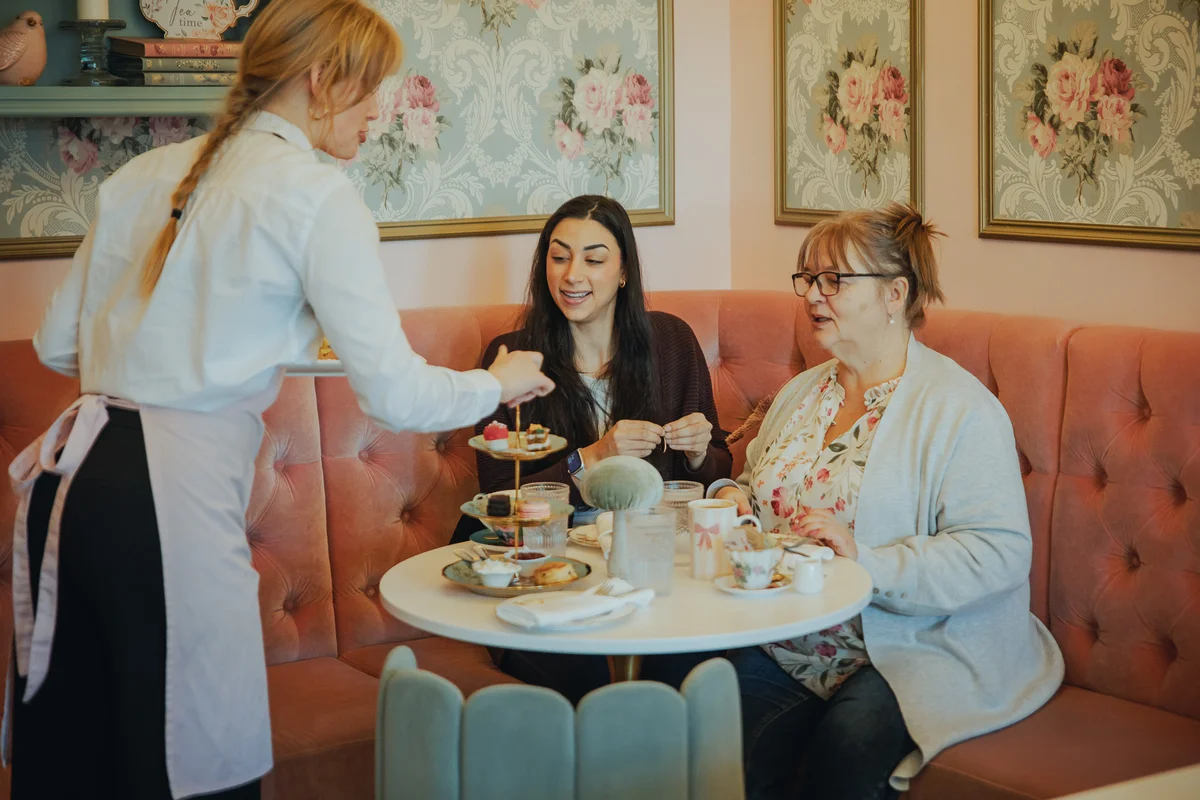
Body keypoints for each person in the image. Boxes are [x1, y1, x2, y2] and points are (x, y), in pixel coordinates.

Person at [6, 2, 553, 798]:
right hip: (170, 502)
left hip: (72, 487)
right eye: (370, 89)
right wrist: (496, 384)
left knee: (84, 765)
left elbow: (63, 346)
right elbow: (395, 392)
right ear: (321, 78)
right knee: (194, 765)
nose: (379, 111)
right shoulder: (316, 196)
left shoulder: (143, 174)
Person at [709, 203, 1063, 799]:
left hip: (916, 642)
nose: (814, 296)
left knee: (845, 754)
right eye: (809, 280)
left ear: (895, 293)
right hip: (792, 635)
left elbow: (998, 554)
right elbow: (753, 489)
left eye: (836, 281)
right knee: (710, 738)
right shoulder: (804, 393)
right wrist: (728, 499)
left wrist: (867, 559)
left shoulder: (960, 410)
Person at [465, 194, 733, 701]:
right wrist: (595, 455)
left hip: (650, 561)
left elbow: (717, 467)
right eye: (559, 256)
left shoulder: (671, 342)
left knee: (690, 664)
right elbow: (500, 498)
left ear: (624, 270)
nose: (572, 275)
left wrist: (700, 452)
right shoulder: (515, 360)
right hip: (548, 570)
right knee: (580, 678)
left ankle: (661, 776)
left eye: (593, 258)